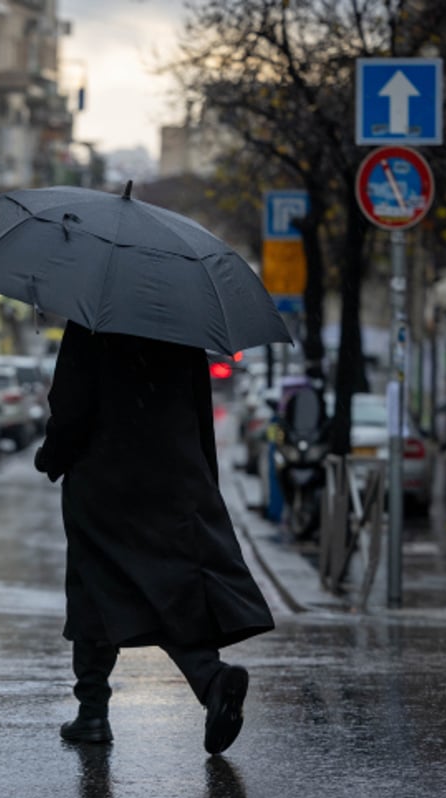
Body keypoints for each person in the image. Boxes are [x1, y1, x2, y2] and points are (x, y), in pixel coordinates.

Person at [34, 321, 275, 754]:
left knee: (93, 589)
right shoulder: (178, 326)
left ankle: (93, 711)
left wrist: (51, 457)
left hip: (103, 481)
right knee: (165, 589)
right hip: (171, 479)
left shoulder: (90, 324)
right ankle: (209, 678)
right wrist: (203, 479)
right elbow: (200, 410)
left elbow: (71, 407)